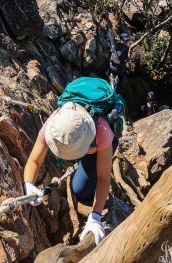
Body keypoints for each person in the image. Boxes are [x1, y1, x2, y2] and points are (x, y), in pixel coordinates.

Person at [23, 100, 114, 245]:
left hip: (98, 147)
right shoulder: (55, 125)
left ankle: (91, 191)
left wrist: (96, 215)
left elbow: (103, 177)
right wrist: (28, 184)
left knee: (81, 189)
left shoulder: (102, 130)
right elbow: (34, 161)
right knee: (80, 187)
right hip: (85, 144)